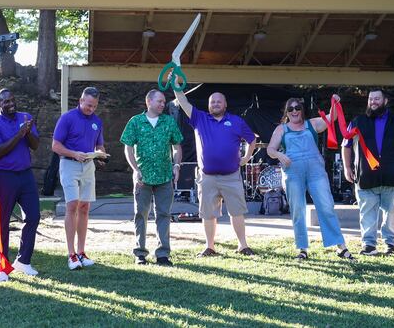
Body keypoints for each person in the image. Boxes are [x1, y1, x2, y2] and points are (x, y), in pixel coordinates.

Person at [173, 79, 256, 257]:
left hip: (231, 176)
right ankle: (210, 247)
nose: (215, 104)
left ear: (225, 105)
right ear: (208, 105)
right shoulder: (200, 118)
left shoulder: (236, 121)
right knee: (208, 214)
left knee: (237, 212)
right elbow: (183, 102)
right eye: (212, 102)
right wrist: (176, 86)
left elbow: (252, 139)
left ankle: (243, 246)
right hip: (207, 177)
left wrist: (246, 158)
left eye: (219, 101)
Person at [266, 96, 354, 261]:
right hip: (293, 173)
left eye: (297, 108)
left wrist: (335, 102)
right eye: (290, 109)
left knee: (326, 206)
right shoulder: (281, 129)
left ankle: (340, 247)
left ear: (302, 110)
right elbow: (270, 149)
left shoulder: (312, 124)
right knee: (298, 210)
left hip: (316, 171)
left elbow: (332, 117)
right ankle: (302, 249)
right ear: (286, 112)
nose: (294, 111)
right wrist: (279, 155)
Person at [341, 89, 394, 256]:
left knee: (392, 213)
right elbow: (346, 145)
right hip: (366, 177)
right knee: (367, 213)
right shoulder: (358, 122)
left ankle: (390, 244)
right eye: (370, 99)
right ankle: (369, 245)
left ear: (385, 101)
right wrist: (347, 168)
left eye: (377, 99)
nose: (373, 102)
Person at [120, 89, 183, 266]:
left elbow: (177, 146)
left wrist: (176, 165)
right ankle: (140, 253)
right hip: (143, 177)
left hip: (165, 176)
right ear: (149, 102)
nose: (163, 104)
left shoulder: (169, 121)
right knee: (141, 214)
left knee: (164, 214)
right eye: (159, 101)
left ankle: (163, 254)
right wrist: (135, 169)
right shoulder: (135, 121)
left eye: (164, 102)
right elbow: (128, 147)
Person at [0, 89, 41, 280]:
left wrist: (28, 132)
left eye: (12, 100)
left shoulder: (26, 117)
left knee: (33, 216)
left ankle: (23, 261)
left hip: (25, 175)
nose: (10, 104)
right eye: (5, 101)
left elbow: (35, 145)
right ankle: (1, 265)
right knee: (2, 222)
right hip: (4, 177)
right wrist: (20, 133)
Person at [52, 87, 109, 270]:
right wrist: (74, 154)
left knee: (85, 207)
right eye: (88, 105)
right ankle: (71, 254)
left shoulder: (97, 121)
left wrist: (101, 155)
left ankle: (81, 252)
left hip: (88, 166)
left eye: (94, 106)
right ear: (81, 100)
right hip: (69, 164)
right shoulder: (67, 118)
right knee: (72, 205)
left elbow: (99, 145)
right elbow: (55, 146)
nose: (91, 109)